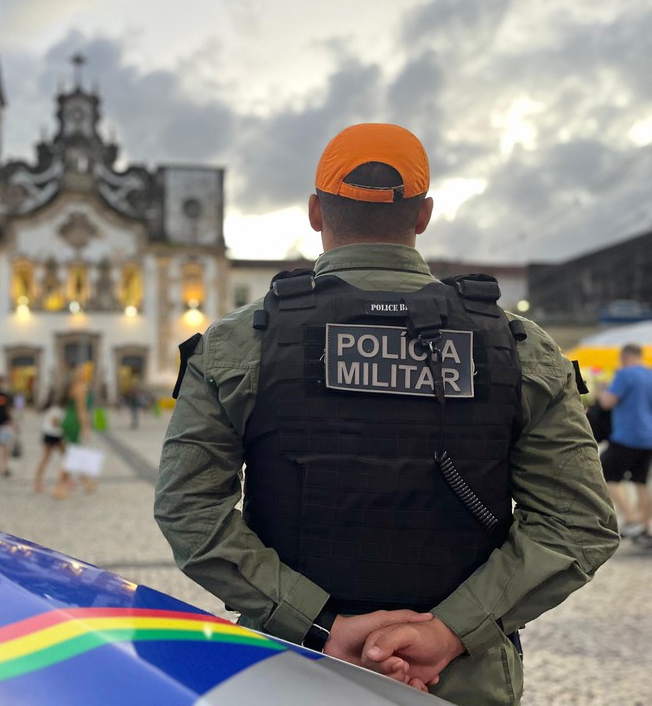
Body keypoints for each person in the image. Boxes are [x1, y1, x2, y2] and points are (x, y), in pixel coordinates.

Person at [154, 123, 619, 705]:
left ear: (315, 212)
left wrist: (319, 626)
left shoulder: (238, 345)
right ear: (423, 216)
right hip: (460, 681)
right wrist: (450, 632)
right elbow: (580, 524)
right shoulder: (520, 348)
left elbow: (187, 508)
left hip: (293, 674)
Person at [598, 343, 652, 543]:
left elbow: (607, 402)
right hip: (648, 437)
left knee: (606, 474)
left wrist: (604, 391)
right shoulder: (650, 374)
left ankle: (632, 518)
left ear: (625, 356)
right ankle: (646, 526)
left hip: (627, 435)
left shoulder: (624, 375)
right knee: (640, 481)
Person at [54, 363, 96, 498]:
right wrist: (86, 427)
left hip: (68, 419)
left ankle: (86, 480)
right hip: (74, 422)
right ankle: (59, 487)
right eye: (82, 372)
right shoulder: (81, 388)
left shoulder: (73, 387)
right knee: (71, 456)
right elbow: (81, 410)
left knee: (74, 452)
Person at [32, 388, 67, 492]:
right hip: (54, 435)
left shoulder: (52, 408)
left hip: (51, 434)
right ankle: (38, 481)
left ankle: (38, 481)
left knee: (62, 457)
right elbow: (54, 422)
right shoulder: (56, 409)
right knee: (63, 457)